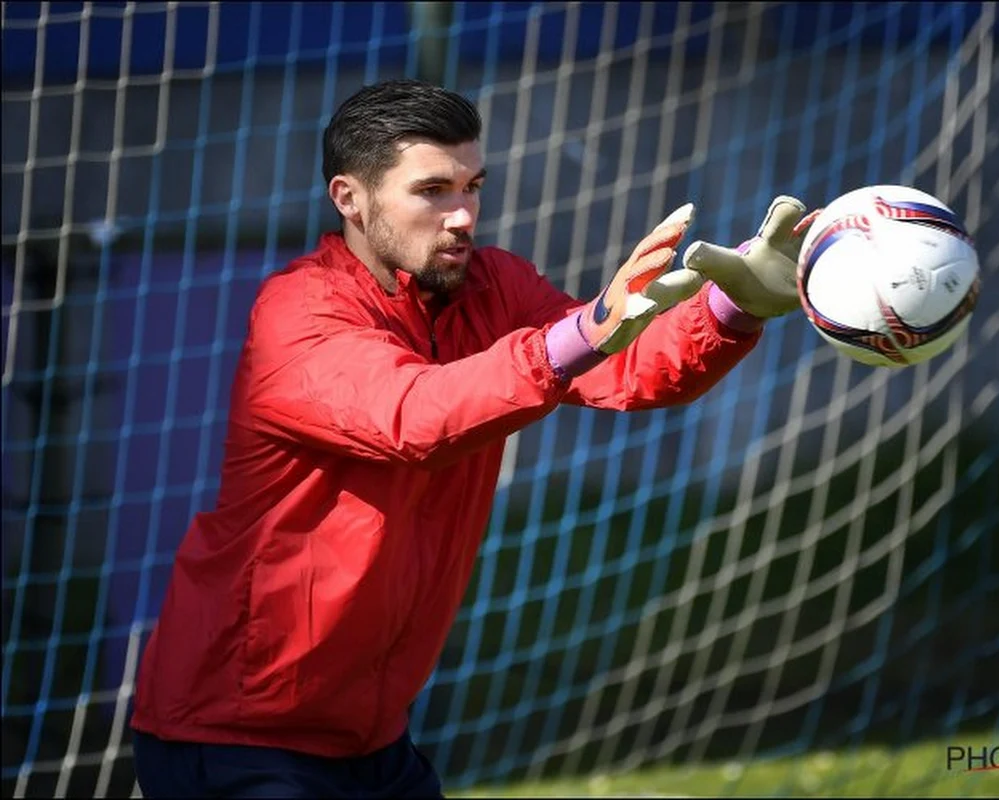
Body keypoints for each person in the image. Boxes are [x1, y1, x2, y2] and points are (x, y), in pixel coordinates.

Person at [128, 78, 819, 798]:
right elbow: (415, 415)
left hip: (374, 738)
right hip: (234, 735)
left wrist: (733, 306)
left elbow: (623, 367)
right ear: (349, 199)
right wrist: (577, 336)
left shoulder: (495, 287)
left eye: (472, 187)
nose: (463, 215)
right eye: (432, 191)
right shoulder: (296, 313)